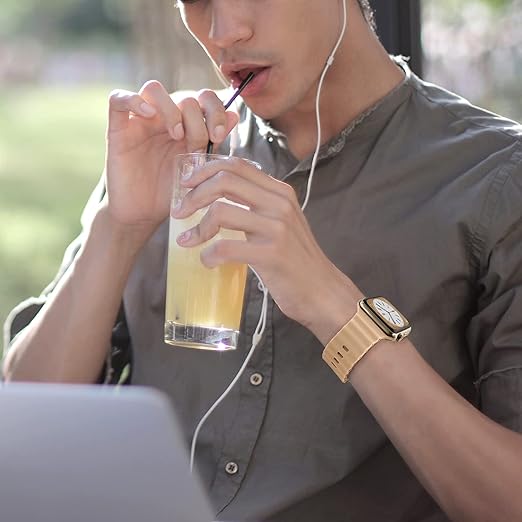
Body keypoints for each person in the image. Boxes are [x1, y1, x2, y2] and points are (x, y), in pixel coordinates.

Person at [3, 0, 522, 520]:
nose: (225, 32)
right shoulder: (168, 153)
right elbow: (21, 441)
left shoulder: (497, 181)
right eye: (197, 1)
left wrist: (335, 306)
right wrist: (119, 227)